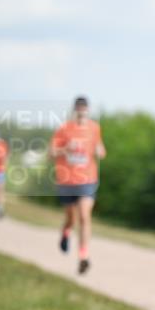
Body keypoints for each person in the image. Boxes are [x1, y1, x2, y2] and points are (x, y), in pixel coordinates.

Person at [50, 96, 106, 274]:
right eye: (79, 108)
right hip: (66, 180)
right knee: (71, 219)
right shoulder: (63, 129)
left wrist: (100, 150)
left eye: (85, 108)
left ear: (88, 110)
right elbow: (50, 153)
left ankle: (83, 256)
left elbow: (100, 148)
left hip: (87, 179)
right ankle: (66, 233)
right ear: (75, 110)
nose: (82, 111)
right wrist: (63, 150)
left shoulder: (94, 128)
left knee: (84, 216)